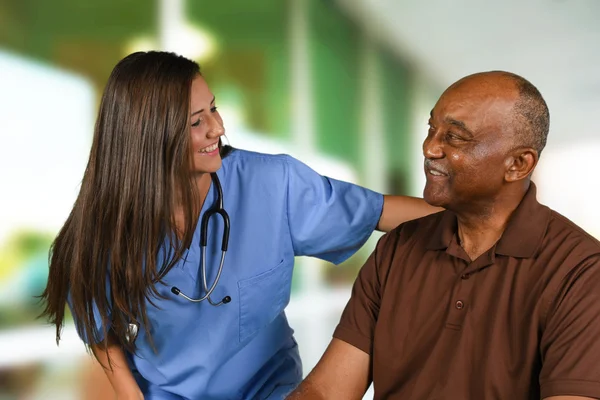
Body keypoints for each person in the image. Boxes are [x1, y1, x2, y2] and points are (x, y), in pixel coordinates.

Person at [39, 51, 440, 400]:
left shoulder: (272, 184)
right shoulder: (107, 230)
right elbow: (95, 316)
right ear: (149, 138)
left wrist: (488, 214)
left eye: (213, 108)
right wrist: (127, 391)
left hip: (269, 389)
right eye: (197, 122)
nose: (218, 128)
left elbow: (381, 212)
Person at [287, 71, 600, 400]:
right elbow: (325, 391)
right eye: (431, 129)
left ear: (518, 164)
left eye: (455, 137)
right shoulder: (397, 249)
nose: (429, 148)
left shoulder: (581, 272)